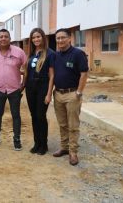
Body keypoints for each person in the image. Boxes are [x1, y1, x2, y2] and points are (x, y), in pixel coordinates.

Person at [0, 29, 26, 150]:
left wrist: (23, 83)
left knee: (16, 115)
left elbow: (26, 67)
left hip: (15, 90)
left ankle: (17, 139)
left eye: (6, 36)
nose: (3, 38)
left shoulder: (19, 52)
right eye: (1, 37)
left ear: (10, 39)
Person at [52, 28, 88, 166]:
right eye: (58, 38)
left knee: (73, 125)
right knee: (62, 124)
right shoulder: (56, 55)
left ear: (69, 38)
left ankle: (73, 152)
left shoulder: (78, 54)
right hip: (58, 94)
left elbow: (84, 73)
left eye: (62, 38)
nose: (60, 40)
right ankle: (64, 147)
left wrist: (78, 92)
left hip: (72, 94)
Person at [24, 28, 55, 155]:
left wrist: (49, 94)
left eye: (38, 37)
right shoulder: (31, 53)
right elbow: (27, 72)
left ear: (43, 38)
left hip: (43, 87)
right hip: (30, 88)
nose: (36, 39)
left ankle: (44, 144)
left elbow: (52, 76)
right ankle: (36, 143)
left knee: (40, 116)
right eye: (34, 37)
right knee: (33, 116)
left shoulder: (50, 53)